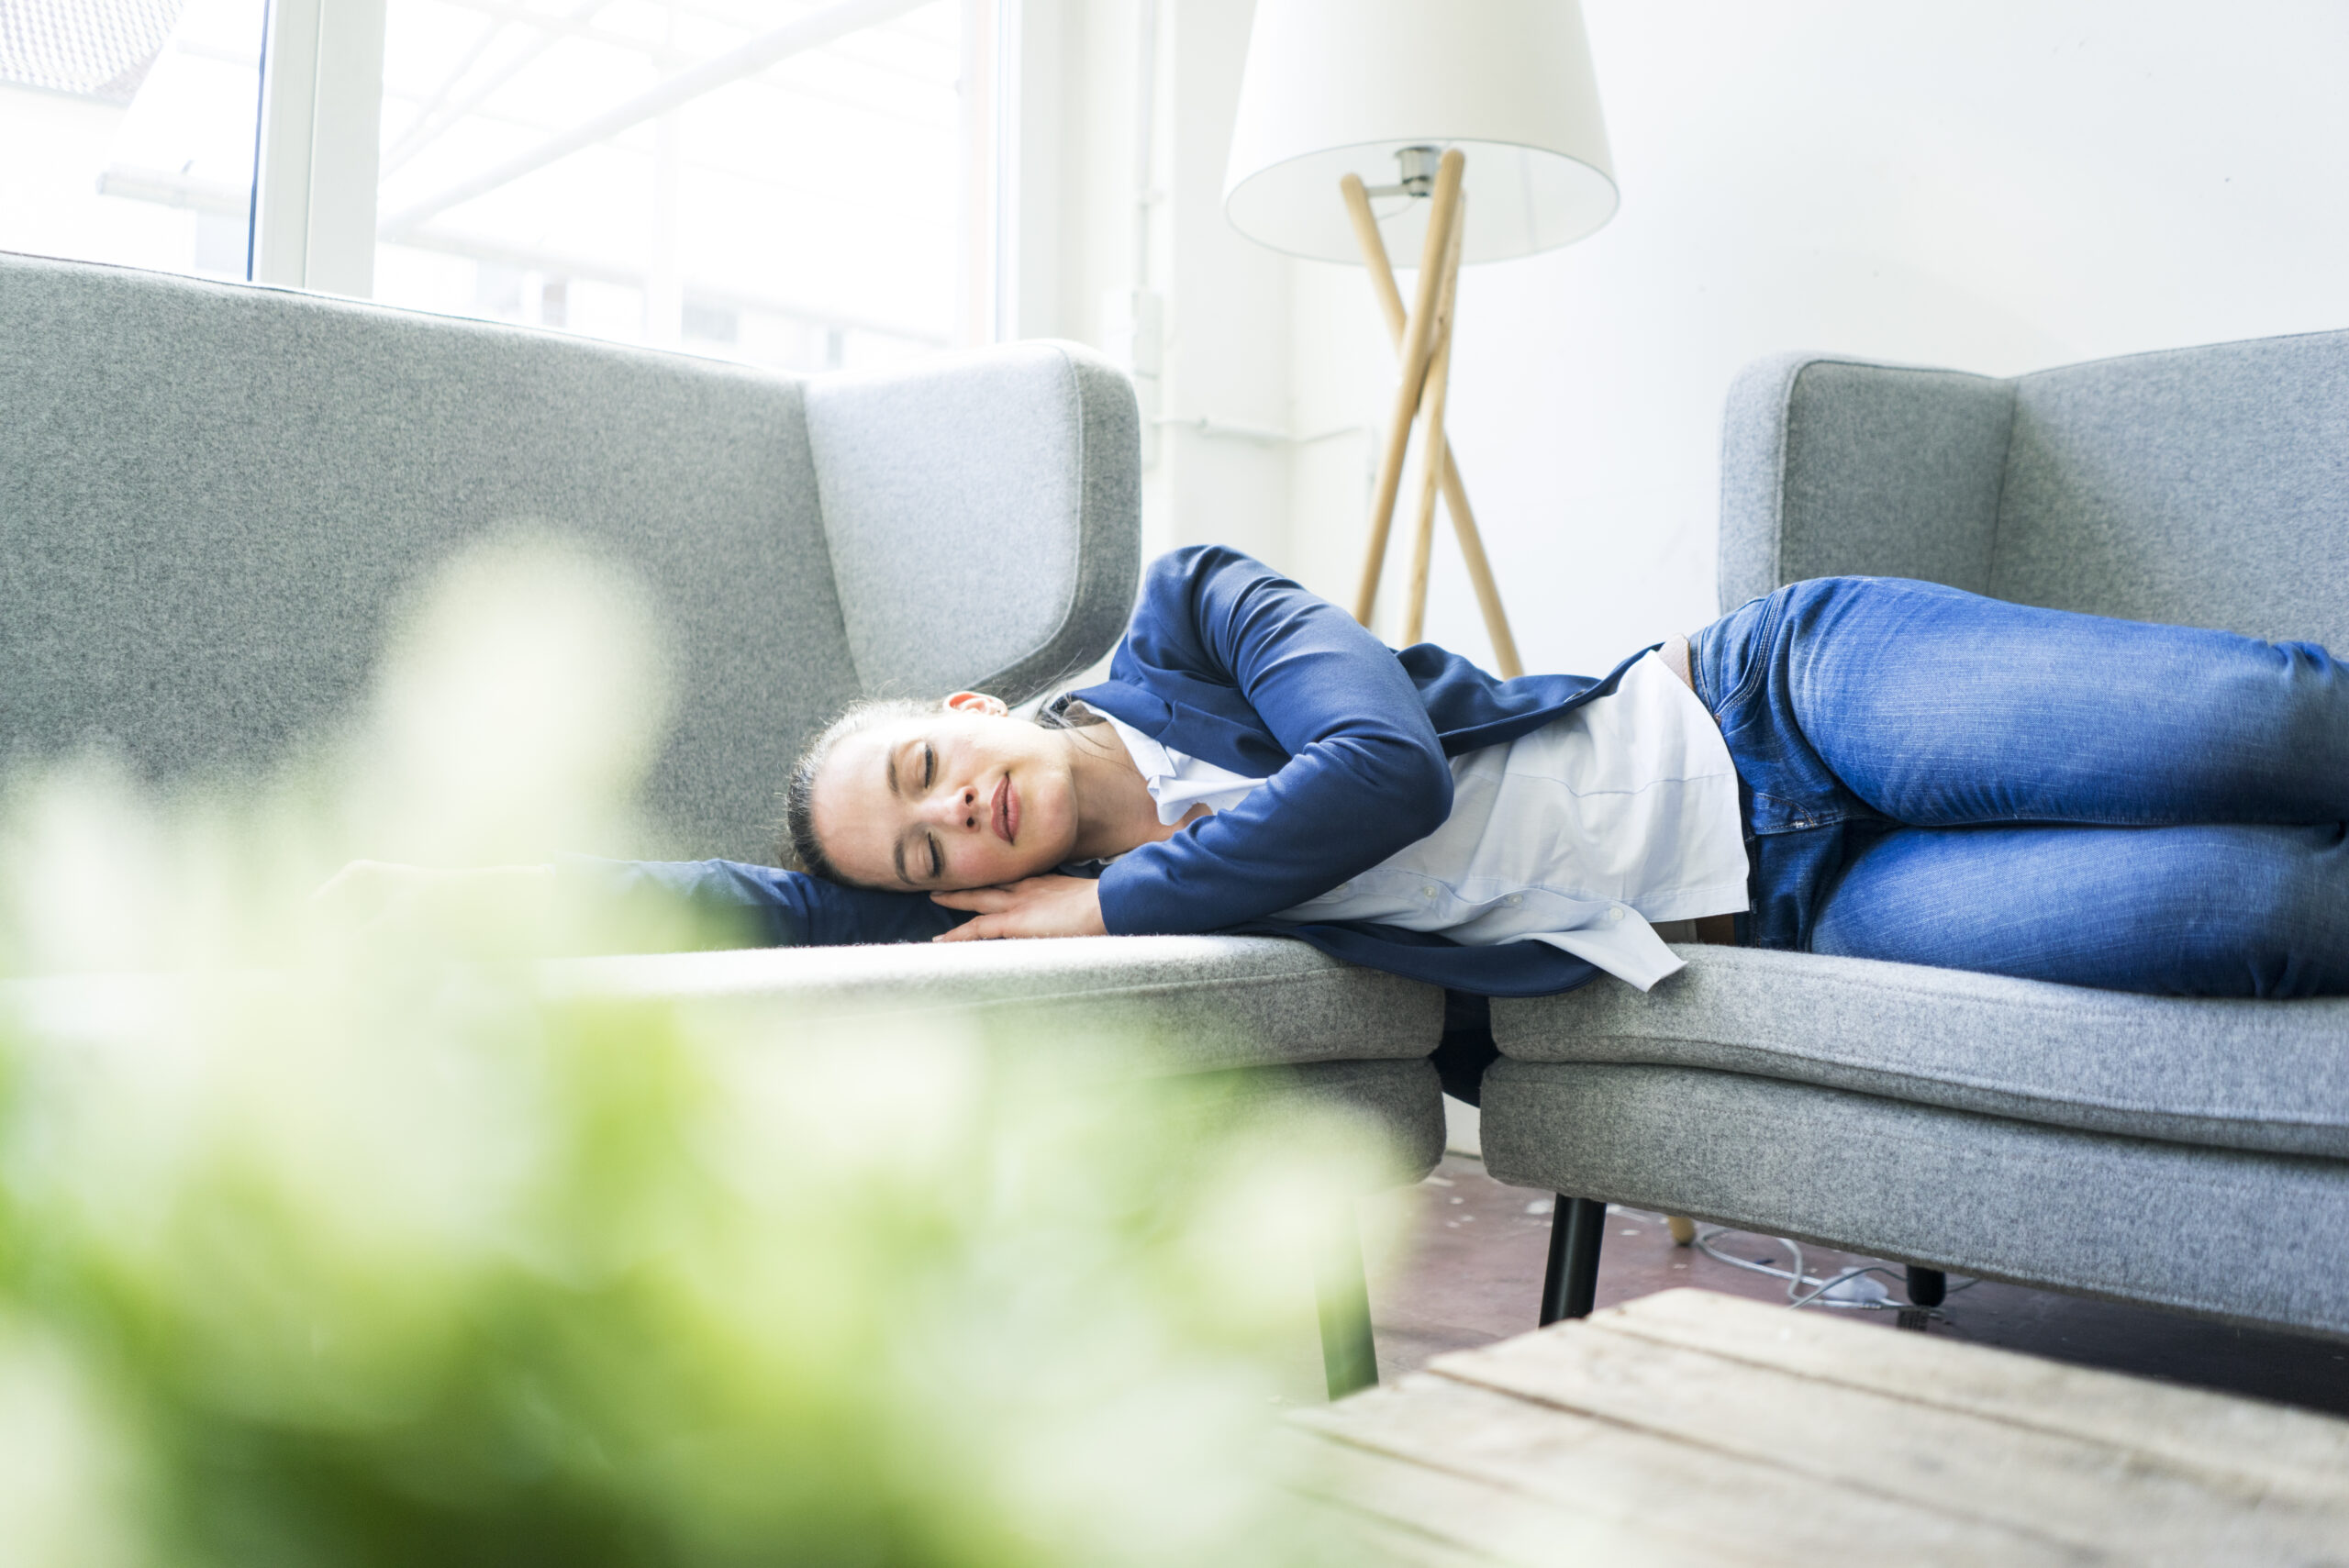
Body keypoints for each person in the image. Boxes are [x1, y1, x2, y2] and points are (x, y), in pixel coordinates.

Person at [590, 543, 2349, 1007]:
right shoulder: (1083, 921)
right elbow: (767, 913)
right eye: (919, 854)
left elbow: (1385, 771)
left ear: (973, 705)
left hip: (1779, 705)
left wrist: (1109, 902)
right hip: (1797, 913)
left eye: (924, 765)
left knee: (2265, 731)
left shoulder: (1193, 611)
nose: (945, 815)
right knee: (2268, 912)